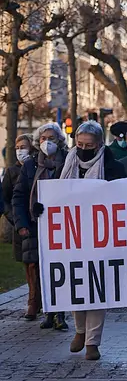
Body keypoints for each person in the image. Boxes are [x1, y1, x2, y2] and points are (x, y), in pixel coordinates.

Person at [60, 121, 127, 360]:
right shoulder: (67, 164)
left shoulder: (113, 168)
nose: (83, 148)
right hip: (73, 236)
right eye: (79, 144)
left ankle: (92, 342)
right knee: (76, 285)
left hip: (101, 236)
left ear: (99, 144)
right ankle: (79, 330)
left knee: (98, 288)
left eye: (89, 145)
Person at [12, 124, 69, 329]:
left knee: (61, 270)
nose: (47, 142)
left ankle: (60, 314)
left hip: (64, 227)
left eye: (51, 138)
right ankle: (48, 312)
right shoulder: (30, 166)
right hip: (38, 227)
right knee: (42, 271)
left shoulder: (68, 162)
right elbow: (18, 197)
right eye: (43, 138)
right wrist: (22, 224)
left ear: (59, 141)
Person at [2, 135, 34, 311]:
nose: (21, 151)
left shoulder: (37, 167)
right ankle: (32, 299)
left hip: (36, 223)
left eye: (24, 147)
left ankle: (37, 301)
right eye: (18, 147)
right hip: (20, 226)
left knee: (36, 264)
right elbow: (6, 199)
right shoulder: (11, 172)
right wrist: (15, 218)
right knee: (27, 264)